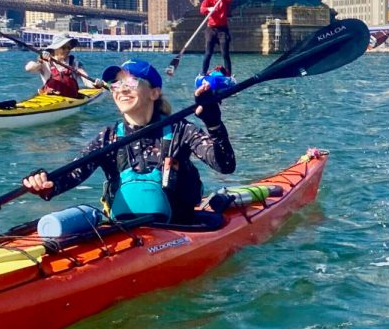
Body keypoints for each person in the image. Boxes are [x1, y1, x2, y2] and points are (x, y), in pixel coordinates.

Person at [23, 59, 236, 225]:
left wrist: (214, 123)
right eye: (115, 83)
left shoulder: (181, 130)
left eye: (131, 82)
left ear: (154, 93)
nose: (122, 89)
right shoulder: (108, 138)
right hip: (125, 232)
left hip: (179, 230)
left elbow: (225, 165)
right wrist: (43, 181)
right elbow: (71, 174)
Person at [24, 32, 95, 98]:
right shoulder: (45, 62)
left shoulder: (75, 63)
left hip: (71, 100)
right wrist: (40, 60)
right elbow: (29, 69)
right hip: (49, 98)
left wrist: (95, 84)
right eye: (63, 48)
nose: (67, 50)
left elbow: (87, 81)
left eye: (69, 48)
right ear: (55, 48)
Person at [199, 0, 237, 76]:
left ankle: (228, 74)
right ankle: (203, 73)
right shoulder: (208, 0)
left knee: (225, 54)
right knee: (208, 53)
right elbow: (202, 9)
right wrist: (209, 8)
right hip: (211, 29)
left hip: (222, 30)